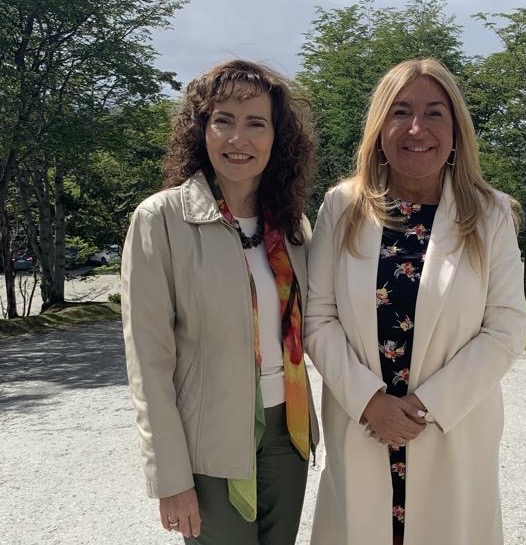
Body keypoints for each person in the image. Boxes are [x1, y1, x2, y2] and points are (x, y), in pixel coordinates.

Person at [305, 58, 526, 545]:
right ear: (379, 127)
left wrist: (425, 407)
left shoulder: (489, 214)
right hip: (363, 424)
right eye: (400, 111)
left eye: (434, 113)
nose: (416, 128)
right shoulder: (342, 207)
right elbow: (318, 318)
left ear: (456, 130)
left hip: (451, 428)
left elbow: (505, 328)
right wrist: (370, 402)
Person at [121, 59, 318, 544]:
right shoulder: (161, 220)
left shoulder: (292, 226)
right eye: (223, 120)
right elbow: (149, 363)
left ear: (277, 137)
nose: (238, 138)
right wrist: (171, 477)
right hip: (209, 445)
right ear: (201, 129)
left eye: (256, 123)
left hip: (288, 435)